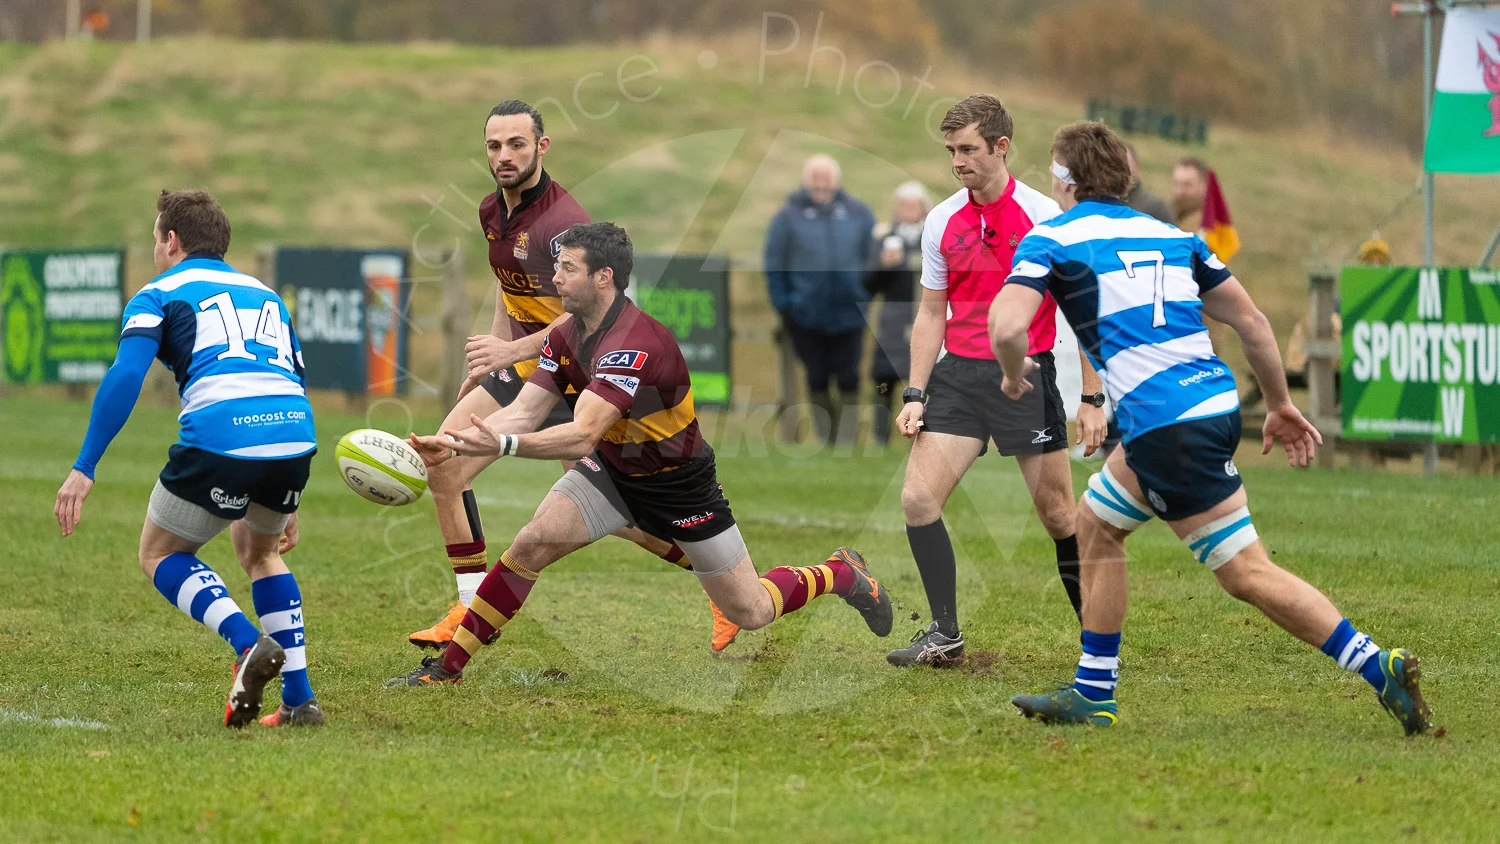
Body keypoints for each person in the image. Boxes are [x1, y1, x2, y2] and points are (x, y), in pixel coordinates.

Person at [991, 121, 1432, 735]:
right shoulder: (1175, 237)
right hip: (1211, 405)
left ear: (1064, 178)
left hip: (1163, 429)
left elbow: (1008, 328)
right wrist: (1278, 403)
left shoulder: (1051, 238)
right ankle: (1093, 692)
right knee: (1095, 524)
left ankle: (1375, 665)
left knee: (1246, 573)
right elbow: (1252, 322)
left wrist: (1014, 378)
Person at [387, 223, 894, 686]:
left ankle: (842, 572)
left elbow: (581, 434)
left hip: (680, 485)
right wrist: (451, 445)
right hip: (609, 475)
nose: (555, 278)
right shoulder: (566, 333)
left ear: (603, 277)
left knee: (752, 610)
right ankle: (447, 669)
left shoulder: (633, 344)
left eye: (567, 268)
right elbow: (522, 412)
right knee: (533, 542)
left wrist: (501, 444)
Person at [408, 100, 736, 654]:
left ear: (542, 146)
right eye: (494, 146)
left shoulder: (561, 222)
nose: (504, 155)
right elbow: (505, 286)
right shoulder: (493, 209)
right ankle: (467, 604)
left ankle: (721, 588)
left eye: (516, 144)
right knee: (442, 464)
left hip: (573, 374)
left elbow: (581, 312)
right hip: (523, 373)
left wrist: (510, 348)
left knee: (619, 515)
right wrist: (491, 361)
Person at [53, 190, 324, 728]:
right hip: (294, 432)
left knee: (160, 553)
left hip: (223, 434)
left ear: (171, 241)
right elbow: (292, 377)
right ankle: (299, 700)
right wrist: (287, 487)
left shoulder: (158, 292)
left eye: (157, 238)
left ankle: (247, 644)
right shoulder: (265, 293)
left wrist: (84, 466)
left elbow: (126, 376)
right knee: (261, 551)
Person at [888, 95, 1107, 668]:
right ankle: (944, 633)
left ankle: (1098, 641)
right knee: (917, 499)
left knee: (1059, 515)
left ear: (1001, 147)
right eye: (950, 151)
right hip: (957, 378)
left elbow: (1084, 317)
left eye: (968, 150)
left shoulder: (1044, 218)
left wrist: (1090, 398)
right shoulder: (940, 220)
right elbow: (931, 313)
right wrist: (915, 393)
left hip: (1026, 377)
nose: (957, 162)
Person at [764, 154, 877, 445]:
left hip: (850, 313)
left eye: (826, 177)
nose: (821, 184)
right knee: (817, 376)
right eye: (815, 177)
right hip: (806, 315)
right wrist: (785, 303)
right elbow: (774, 263)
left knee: (849, 376)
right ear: (805, 180)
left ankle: (848, 441)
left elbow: (873, 258)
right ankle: (828, 438)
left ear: (836, 180)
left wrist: (864, 293)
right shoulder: (788, 216)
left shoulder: (858, 213)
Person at [864, 180, 931, 446]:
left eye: (912, 206)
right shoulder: (884, 236)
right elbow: (867, 283)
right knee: (883, 379)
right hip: (892, 321)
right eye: (902, 206)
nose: (906, 211)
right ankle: (880, 439)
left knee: (924, 378)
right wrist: (883, 265)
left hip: (926, 318)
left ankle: (926, 436)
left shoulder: (933, 234)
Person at [1122, 142, 1173, 224]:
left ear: (1137, 167)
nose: (1119, 170)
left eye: (1125, 164)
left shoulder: (1155, 208)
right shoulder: (1101, 204)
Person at [1171, 157, 1209, 232]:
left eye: (1187, 184)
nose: (1180, 191)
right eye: (1176, 184)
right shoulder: (1168, 214)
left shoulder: (1207, 223)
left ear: (1204, 185)